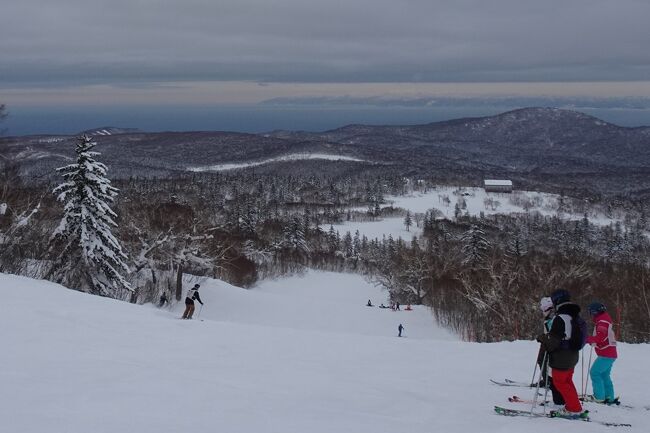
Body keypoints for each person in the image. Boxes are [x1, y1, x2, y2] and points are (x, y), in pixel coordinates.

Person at [536, 289, 584, 415]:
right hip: (573, 354)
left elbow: (553, 341)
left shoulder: (560, 318)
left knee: (560, 382)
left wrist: (543, 339)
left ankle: (573, 408)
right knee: (567, 381)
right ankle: (574, 405)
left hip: (562, 356)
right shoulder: (574, 316)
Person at [586, 302, 618, 403]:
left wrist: (587, 339)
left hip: (606, 353)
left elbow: (600, 337)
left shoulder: (603, 320)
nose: (591, 314)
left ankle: (599, 397)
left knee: (594, 372)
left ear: (595, 311)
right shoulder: (604, 319)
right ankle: (609, 396)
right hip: (609, 353)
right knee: (604, 375)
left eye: (591, 312)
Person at [536, 296, 565, 407]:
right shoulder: (551, 315)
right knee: (542, 361)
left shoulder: (552, 316)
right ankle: (547, 380)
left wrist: (545, 338)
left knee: (544, 361)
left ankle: (548, 381)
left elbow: (551, 332)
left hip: (550, 344)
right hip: (548, 342)